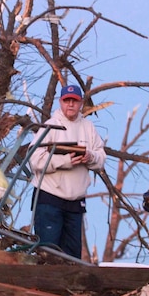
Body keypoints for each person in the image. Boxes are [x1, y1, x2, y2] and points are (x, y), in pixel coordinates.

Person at [29, 84, 106, 259]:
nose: (70, 104)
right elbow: (34, 160)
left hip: (76, 202)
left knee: (72, 258)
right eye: (67, 100)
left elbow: (101, 158)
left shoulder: (88, 127)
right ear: (60, 102)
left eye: (74, 101)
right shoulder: (50, 126)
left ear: (81, 104)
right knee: (48, 254)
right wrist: (65, 161)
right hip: (49, 198)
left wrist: (90, 156)